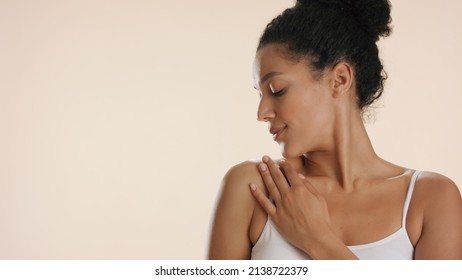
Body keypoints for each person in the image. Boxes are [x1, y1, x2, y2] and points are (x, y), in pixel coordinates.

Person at [208, 0, 462, 260]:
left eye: (277, 90)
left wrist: (318, 239)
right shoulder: (253, 188)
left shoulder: (430, 200)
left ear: (340, 79)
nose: (262, 113)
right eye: (260, 95)